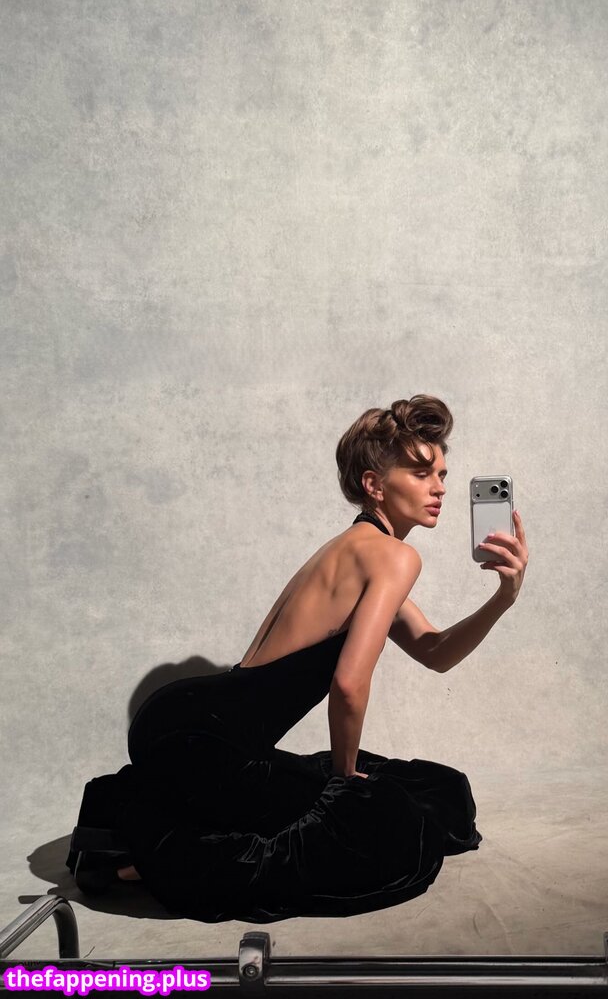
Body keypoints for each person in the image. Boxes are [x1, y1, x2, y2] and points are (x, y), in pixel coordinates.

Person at [65, 394, 528, 923]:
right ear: (375, 485)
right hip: (205, 746)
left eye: (442, 473)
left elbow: (434, 652)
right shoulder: (394, 556)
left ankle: (134, 825)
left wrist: (503, 598)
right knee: (392, 826)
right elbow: (349, 685)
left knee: (435, 789)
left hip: (179, 724)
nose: (440, 488)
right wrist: (343, 783)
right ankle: (146, 861)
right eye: (422, 473)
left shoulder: (357, 548)